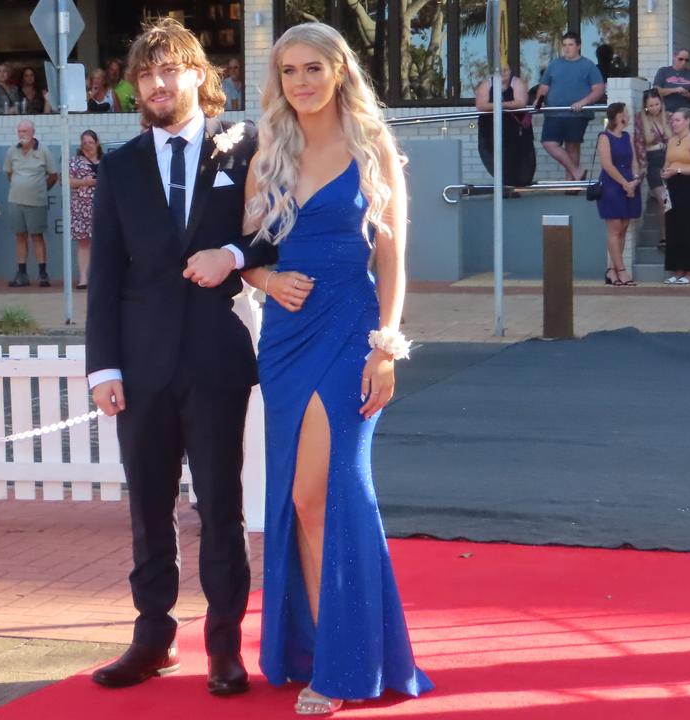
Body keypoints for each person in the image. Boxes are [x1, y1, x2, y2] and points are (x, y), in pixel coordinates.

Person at [237, 21, 433, 714]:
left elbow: (393, 261)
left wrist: (387, 346)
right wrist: (266, 283)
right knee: (300, 499)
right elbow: (248, 252)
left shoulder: (373, 146)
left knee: (330, 494)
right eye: (290, 71)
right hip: (287, 341)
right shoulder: (270, 151)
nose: (302, 82)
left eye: (314, 68)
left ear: (340, 71)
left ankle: (343, 665)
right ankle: (329, 648)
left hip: (352, 332)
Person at [85, 17, 279, 699]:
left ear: (199, 74)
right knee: (148, 506)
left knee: (221, 506)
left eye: (169, 70)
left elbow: (281, 231)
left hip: (217, 359)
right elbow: (105, 274)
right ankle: (152, 637)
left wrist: (231, 255)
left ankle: (224, 646)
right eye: (145, 74)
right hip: (139, 367)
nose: (157, 84)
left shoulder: (248, 147)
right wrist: (103, 367)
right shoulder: (119, 165)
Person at [534, 31, 605, 181]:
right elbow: (544, 87)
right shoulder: (554, 64)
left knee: (572, 146)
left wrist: (583, 102)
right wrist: (538, 102)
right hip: (554, 113)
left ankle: (570, 183)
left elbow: (599, 89)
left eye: (570, 45)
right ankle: (576, 172)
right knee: (549, 143)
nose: (567, 48)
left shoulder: (588, 65)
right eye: (564, 45)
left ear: (578, 46)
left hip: (577, 113)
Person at [3, 120, 58, 287]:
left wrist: (39, 189)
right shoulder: (12, 151)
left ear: (33, 132)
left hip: (36, 202)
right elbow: (9, 173)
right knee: (20, 236)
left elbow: (53, 175)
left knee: (37, 236)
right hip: (15, 201)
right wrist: (21, 186)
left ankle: (43, 274)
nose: (22, 134)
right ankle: (22, 274)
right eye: (19, 131)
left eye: (25, 131)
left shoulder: (44, 151)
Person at [596, 103, 641, 286]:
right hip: (612, 186)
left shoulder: (627, 137)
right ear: (619, 117)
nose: (628, 116)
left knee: (623, 228)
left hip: (629, 184)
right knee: (614, 228)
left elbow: (634, 161)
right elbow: (607, 165)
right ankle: (621, 270)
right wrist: (624, 183)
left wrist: (635, 180)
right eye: (626, 113)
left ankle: (612, 269)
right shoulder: (604, 137)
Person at [661, 108, 690, 284]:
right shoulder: (672, 141)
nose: (674, 123)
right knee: (673, 228)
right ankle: (677, 270)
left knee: (688, 228)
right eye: (673, 120)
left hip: (688, 186)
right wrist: (665, 172)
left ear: (687, 121)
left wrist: (678, 170)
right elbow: (667, 163)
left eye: (678, 120)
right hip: (672, 186)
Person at [475, 65, 535, 187]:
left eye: (506, 70)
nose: (503, 73)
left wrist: (497, 105)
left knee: (517, 157)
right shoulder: (486, 85)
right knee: (494, 156)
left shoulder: (517, 83)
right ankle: (504, 186)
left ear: (510, 71)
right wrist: (507, 105)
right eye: (500, 70)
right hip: (491, 128)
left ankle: (515, 185)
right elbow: (481, 105)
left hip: (515, 130)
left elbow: (521, 102)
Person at [634, 90, 672, 251]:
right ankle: (664, 237)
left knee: (671, 200)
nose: (655, 108)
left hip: (670, 161)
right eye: (651, 105)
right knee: (663, 200)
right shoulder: (640, 119)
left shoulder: (669, 117)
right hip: (653, 163)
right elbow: (639, 145)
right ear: (645, 106)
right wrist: (641, 169)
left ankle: (672, 235)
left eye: (657, 104)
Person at [68, 129, 101, 289]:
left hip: (103, 208)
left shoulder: (106, 160)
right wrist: (85, 182)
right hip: (81, 208)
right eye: (84, 143)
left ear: (97, 143)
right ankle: (83, 278)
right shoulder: (74, 162)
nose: (88, 146)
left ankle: (101, 277)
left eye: (90, 143)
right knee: (83, 243)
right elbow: (67, 181)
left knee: (102, 243)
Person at [652, 49, 690, 114]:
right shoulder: (663, 71)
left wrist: (689, 95)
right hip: (666, 112)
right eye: (681, 59)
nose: (683, 62)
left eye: (687, 60)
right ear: (674, 57)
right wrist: (675, 90)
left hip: (685, 114)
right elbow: (656, 91)